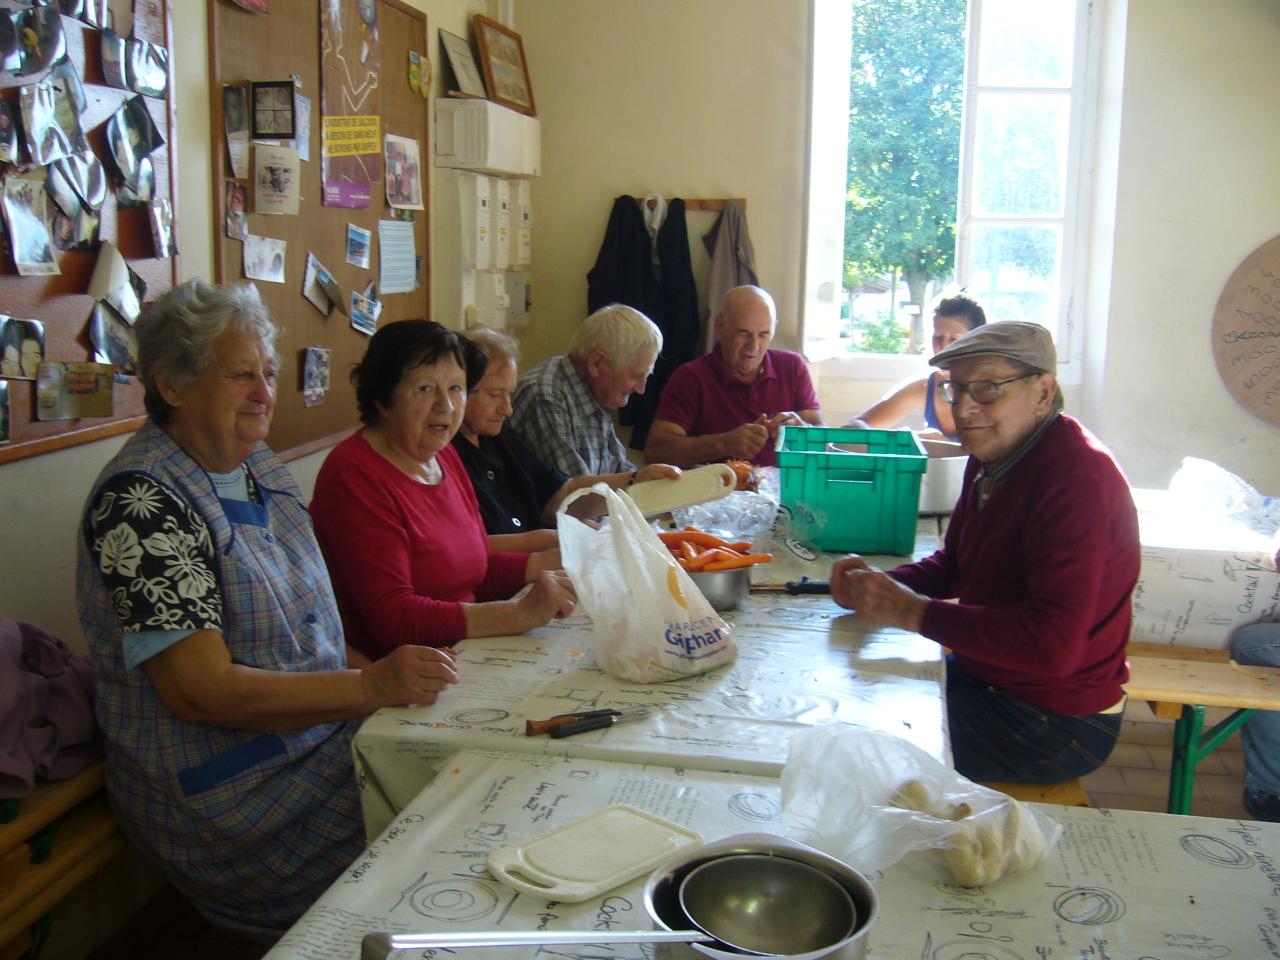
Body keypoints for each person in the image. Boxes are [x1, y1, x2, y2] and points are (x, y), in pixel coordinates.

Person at [74, 280, 459, 940]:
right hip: (233, 795)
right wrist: (370, 687)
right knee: (440, 851)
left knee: (463, 778)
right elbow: (203, 693)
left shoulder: (258, 467)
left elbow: (318, 635)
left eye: (270, 373)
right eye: (241, 374)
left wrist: (389, 690)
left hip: (313, 744)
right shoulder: (141, 505)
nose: (264, 392)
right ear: (171, 383)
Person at [830, 321, 1140, 784]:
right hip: (997, 680)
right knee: (846, 695)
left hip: (1056, 720)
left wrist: (913, 612)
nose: (966, 408)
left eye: (989, 388)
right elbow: (955, 564)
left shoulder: (1076, 480)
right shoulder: (995, 452)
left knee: (853, 748)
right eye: (957, 390)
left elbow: (1052, 647)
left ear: (1042, 391)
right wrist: (881, 586)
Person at [310, 320, 577, 658]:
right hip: (403, 676)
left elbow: (472, 568)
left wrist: (553, 565)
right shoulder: (354, 474)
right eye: (425, 389)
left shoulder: (444, 454)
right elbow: (394, 618)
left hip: (465, 653)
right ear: (382, 397)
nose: (446, 406)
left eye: (455, 388)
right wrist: (518, 614)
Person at [455, 327, 681, 551]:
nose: (508, 409)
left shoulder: (500, 437)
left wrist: (637, 480)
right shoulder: (449, 456)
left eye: (509, 394)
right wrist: (565, 540)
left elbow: (561, 495)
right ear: (458, 392)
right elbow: (473, 550)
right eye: (494, 395)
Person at [645, 285, 824, 469]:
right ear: (720, 326)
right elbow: (657, 451)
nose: (753, 346)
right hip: (719, 493)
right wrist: (723, 444)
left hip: (783, 493)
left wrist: (802, 431)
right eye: (744, 333)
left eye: (763, 334)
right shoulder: (690, 377)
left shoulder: (792, 366)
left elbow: (823, 440)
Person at [508, 303, 662, 476]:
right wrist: (636, 481)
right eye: (636, 375)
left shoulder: (595, 393)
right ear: (597, 363)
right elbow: (579, 496)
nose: (642, 389)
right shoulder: (546, 397)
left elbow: (617, 470)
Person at [845, 293, 986, 452]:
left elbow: (1003, 452)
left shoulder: (991, 389)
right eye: (937, 337)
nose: (943, 347)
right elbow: (852, 429)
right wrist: (896, 441)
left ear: (977, 340)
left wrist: (947, 444)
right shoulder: (925, 387)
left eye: (954, 339)